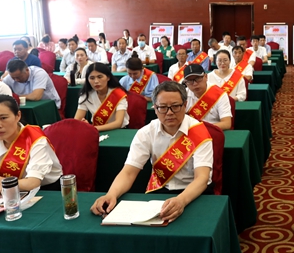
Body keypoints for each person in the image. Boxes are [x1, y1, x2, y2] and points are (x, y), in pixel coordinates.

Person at [90, 81, 214, 222]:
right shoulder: (146, 133)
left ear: (185, 105)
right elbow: (129, 172)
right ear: (155, 108)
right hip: (160, 190)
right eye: (163, 107)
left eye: (175, 106)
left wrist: (181, 200)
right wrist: (111, 194)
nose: (169, 113)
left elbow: (202, 178)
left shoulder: (199, 132)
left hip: (195, 193)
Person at [74, 63, 129, 131]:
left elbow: (118, 123)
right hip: (96, 129)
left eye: (100, 77)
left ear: (108, 77)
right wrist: (83, 124)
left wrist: (91, 128)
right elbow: (77, 120)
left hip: (118, 131)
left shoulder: (118, 94)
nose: (96, 81)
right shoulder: (85, 95)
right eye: (92, 78)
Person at [182, 64, 232, 130]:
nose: (195, 84)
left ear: (206, 77)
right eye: (190, 81)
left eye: (198, 78)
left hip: (213, 131)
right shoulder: (183, 95)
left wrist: (200, 129)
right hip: (191, 132)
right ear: (185, 83)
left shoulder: (219, 94)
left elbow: (226, 123)